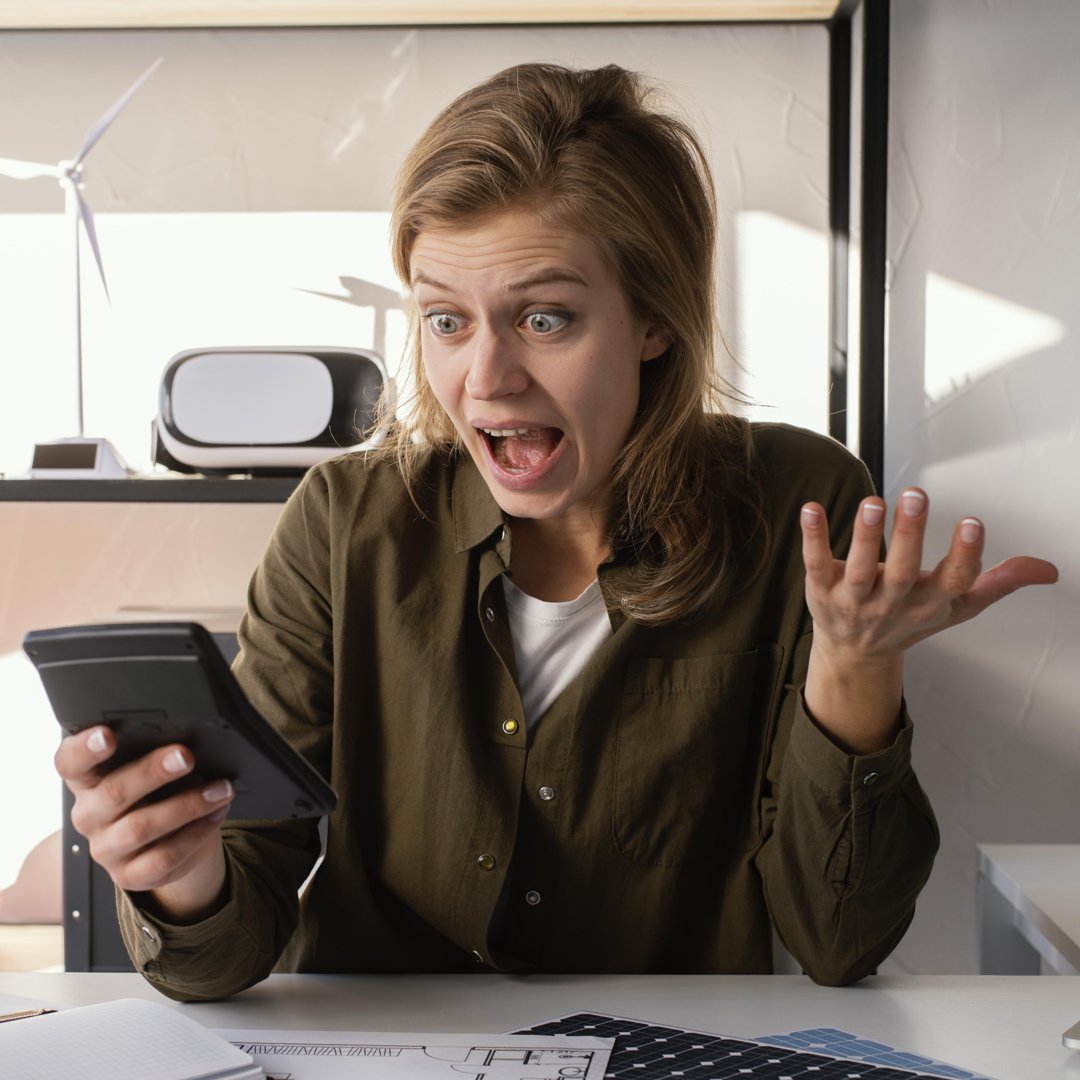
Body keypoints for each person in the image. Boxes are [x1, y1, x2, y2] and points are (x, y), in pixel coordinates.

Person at [54, 63, 1057, 1001]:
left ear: (654, 317)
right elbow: (224, 954)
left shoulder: (798, 504)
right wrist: (183, 875)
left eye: (544, 320)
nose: (485, 380)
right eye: (447, 321)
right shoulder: (342, 525)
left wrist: (856, 673)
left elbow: (842, 941)